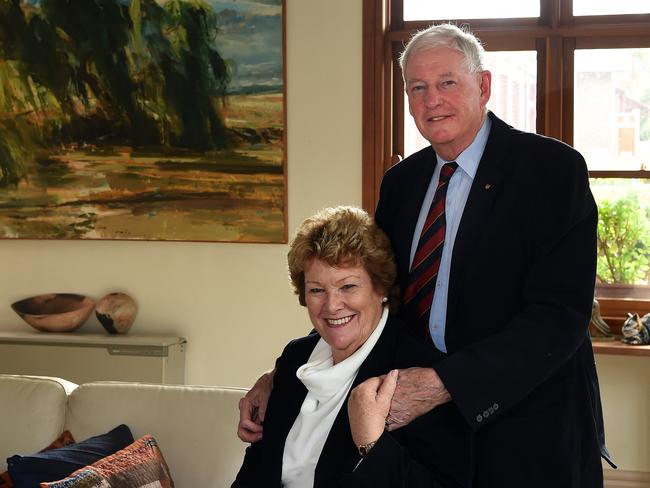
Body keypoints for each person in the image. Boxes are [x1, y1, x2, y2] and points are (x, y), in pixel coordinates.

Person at [239, 24, 615, 487]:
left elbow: (558, 319)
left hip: (526, 426)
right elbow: (371, 297)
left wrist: (444, 383)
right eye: (417, 88)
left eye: (447, 83)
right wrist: (284, 378)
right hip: (427, 436)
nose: (431, 100)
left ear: (484, 86)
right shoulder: (402, 183)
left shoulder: (551, 171)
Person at [232, 206, 471, 487]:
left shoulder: (420, 378)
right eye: (317, 290)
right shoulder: (294, 359)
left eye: (347, 287)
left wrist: (373, 445)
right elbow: (257, 470)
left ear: (380, 287)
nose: (332, 306)